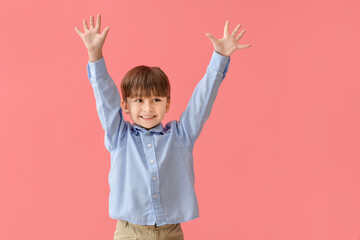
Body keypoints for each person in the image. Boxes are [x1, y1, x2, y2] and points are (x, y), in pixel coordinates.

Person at [74, 14, 251, 240]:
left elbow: (202, 101)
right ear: (125, 105)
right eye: (139, 100)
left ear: (167, 103)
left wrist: (220, 58)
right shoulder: (119, 136)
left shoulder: (180, 137)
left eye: (156, 100)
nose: (148, 108)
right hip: (130, 233)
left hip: (170, 233)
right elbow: (105, 98)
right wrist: (94, 54)